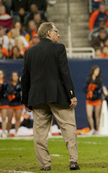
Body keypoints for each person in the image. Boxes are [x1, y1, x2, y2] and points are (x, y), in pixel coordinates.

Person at [21, 22, 79, 171]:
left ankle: (45, 165)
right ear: (48, 33)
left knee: (39, 133)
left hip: (37, 98)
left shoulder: (29, 52)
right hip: (57, 95)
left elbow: (25, 78)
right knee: (69, 127)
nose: (58, 34)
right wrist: (71, 95)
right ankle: (73, 161)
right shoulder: (59, 48)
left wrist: (26, 100)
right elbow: (65, 72)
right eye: (56, 31)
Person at [83, 66, 103, 135]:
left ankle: (98, 129)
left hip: (97, 99)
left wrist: (95, 94)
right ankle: (92, 129)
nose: (97, 72)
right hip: (89, 100)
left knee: (97, 115)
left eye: (98, 71)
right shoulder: (88, 80)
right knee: (89, 115)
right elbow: (84, 88)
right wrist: (89, 92)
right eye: (96, 70)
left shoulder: (99, 80)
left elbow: (100, 90)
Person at [7, 72, 23, 136]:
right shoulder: (9, 85)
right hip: (11, 104)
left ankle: (16, 132)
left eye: (16, 76)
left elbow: (22, 94)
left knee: (18, 118)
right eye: (13, 76)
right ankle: (8, 132)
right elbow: (7, 93)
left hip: (18, 103)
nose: (15, 77)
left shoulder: (20, 85)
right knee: (9, 119)